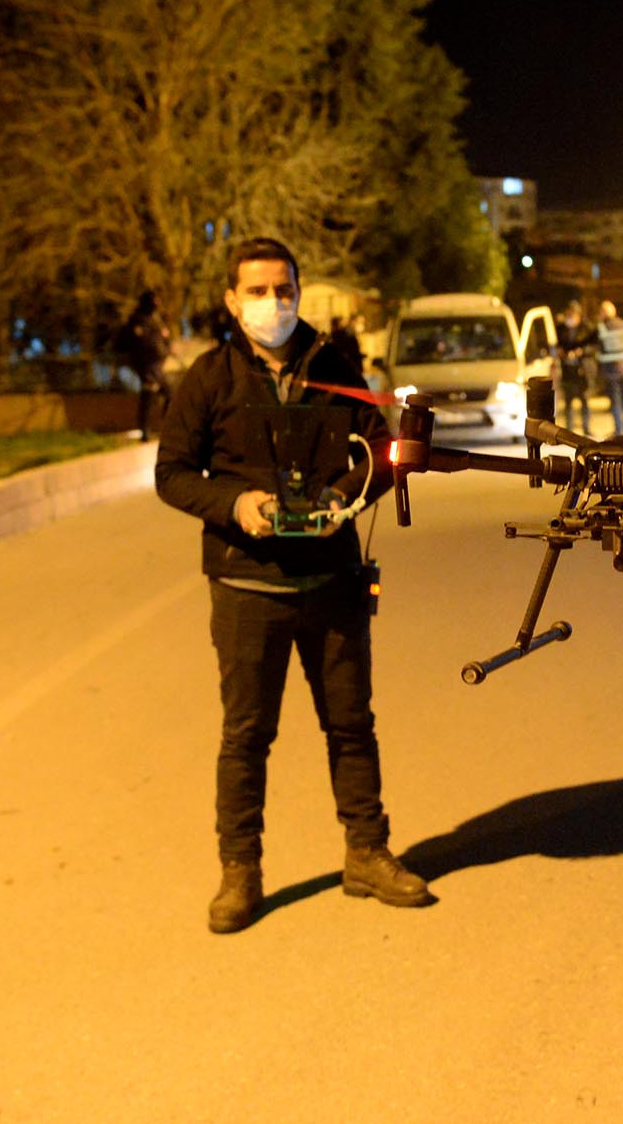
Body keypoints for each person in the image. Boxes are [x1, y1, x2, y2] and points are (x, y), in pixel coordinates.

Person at [155, 238, 432, 934]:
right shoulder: (209, 379)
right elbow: (173, 473)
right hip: (247, 585)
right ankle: (239, 872)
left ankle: (367, 853)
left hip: (332, 578)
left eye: (283, 290)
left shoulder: (336, 368)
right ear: (230, 300)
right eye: (257, 291)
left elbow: (380, 453)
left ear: (299, 292)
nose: (272, 304)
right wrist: (235, 506)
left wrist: (346, 495)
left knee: (350, 723)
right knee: (247, 733)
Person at [116, 291, 174, 441]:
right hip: (147, 365)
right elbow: (142, 342)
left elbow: (162, 337)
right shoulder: (138, 319)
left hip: (157, 364)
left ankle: (164, 429)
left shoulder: (154, 318)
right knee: (150, 395)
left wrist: (166, 345)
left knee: (167, 395)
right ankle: (146, 431)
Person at [594, 300, 623, 436]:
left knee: (616, 401)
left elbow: (596, 347)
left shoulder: (601, 328)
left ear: (603, 312)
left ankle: (619, 431)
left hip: (611, 370)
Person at [554, 300, 594, 430]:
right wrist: (561, 352)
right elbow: (557, 345)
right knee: (568, 401)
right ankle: (569, 429)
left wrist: (581, 351)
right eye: (568, 315)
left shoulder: (587, 328)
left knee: (584, 400)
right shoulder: (561, 329)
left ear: (579, 316)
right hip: (567, 370)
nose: (570, 318)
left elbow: (594, 347)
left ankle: (586, 427)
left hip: (582, 370)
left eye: (573, 315)